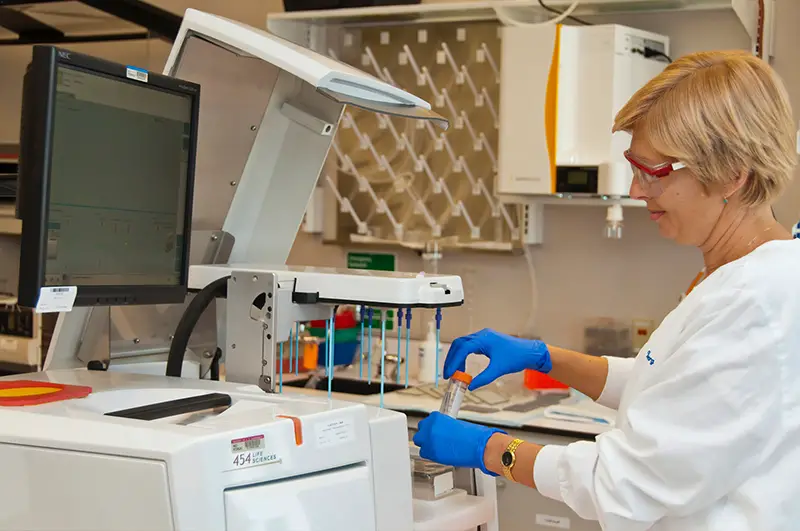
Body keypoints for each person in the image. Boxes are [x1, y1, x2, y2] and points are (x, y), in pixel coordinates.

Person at [413, 50, 800, 530]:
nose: (636, 192)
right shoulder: (741, 275)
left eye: (651, 172)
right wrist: (546, 358)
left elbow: (623, 484)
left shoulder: (756, 303)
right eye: (632, 168)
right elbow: (668, 384)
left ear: (732, 174)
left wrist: (486, 448)